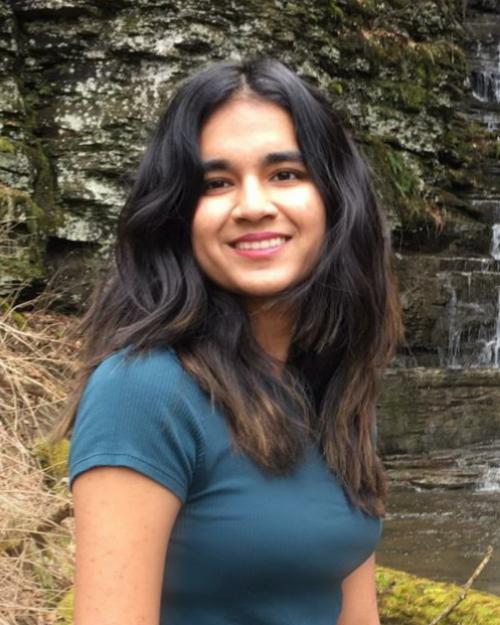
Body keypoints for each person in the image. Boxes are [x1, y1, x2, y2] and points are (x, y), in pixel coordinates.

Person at [52, 57, 404, 625]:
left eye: (285, 173)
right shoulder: (143, 392)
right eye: (216, 183)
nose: (253, 206)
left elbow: (350, 606)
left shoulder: (334, 383)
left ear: (336, 199)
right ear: (178, 216)